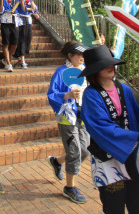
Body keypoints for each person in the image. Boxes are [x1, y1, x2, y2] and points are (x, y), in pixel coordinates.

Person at [80, 45, 139, 214]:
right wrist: (136, 136)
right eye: (104, 64)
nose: (111, 66)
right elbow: (100, 127)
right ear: (94, 70)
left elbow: (138, 118)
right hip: (108, 158)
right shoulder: (90, 94)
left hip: (132, 153)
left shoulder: (124, 89)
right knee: (114, 207)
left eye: (111, 62)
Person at [47, 41, 89, 204]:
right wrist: (67, 95)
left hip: (84, 116)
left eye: (83, 54)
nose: (82, 57)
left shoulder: (85, 71)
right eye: (79, 54)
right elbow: (51, 94)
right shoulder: (61, 71)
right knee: (74, 151)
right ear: (70, 55)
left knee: (84, 151)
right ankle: (69, 188)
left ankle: (57, 162)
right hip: (67, 116)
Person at [0, 0, 26, 72]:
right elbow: (0, 10)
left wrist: (21, 1)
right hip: (5, 21)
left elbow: (24, 10)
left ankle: (7, 59)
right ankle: (9, 63)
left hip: (15, 22)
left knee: (15, 44)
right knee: (6, 43)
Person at [13, 0, 38, 68]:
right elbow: (24, 10)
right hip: (21, 20)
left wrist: (31, 0)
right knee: (22, 39)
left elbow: (34, 9)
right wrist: (21, 1)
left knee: (28, 38)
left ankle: (21, 57)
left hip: (28, 21)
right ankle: (22, 60)